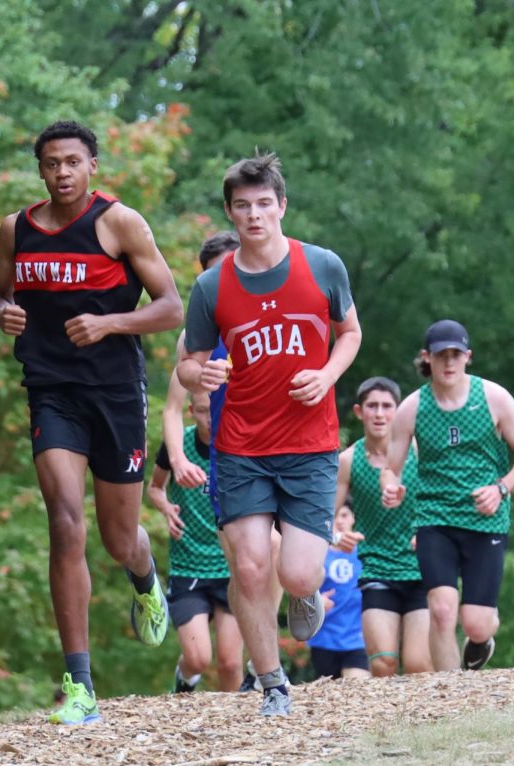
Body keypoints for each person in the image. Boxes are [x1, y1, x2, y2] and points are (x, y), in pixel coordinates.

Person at [0, 120, 183, 725]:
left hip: (116, 394)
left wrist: (110, 323)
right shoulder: (17, 229)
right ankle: (80, 685)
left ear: (92, 165)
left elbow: (171, 306)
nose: (62, 172)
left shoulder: (119, 223)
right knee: (65, 521)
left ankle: (146, 579)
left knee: (118, 537)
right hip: (52, 391)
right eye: (50, 163)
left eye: (72, 161)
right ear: (40, 170)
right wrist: (1, 315)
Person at [177, 152, 362, 718]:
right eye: (242, 206)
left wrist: (328, 375)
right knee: (251, 565)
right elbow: (186, 363)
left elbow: (350, 332)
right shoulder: (213, 287)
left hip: (309, 444)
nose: (254, 215)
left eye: (263, 204)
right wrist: (201, 374)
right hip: (240, 446)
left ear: (281, 206)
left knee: (298, 570)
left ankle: (304, 596)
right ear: (231, 215)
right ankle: (274, 684)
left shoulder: (322, 266)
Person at [381, 320, 514, 673]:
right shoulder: (412, 407)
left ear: (468, 357)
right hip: (434, 518)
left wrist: (501, 488)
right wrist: (390, 486)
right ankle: (451, 690)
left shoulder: (494, 398)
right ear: (428, 358)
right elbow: (391, 468)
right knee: (440, 609)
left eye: (455, 355)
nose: (449, 363)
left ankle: (484, 635)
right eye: (441, 356)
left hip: (485, 518)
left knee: (476, 624)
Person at [162, 231, 271, 693]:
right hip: (225, 459)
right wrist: (180, 457)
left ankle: (267, 649)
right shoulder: (196, 334)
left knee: (282, 555)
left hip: (265, 450)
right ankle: (253, 666)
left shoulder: (266, 314)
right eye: (213, 272)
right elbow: (171, 407)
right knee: (240, 560)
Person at [147, 389, 244, 692]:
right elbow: (154, 488)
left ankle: (239, 728)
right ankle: (184, 679)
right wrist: (166, 509)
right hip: (189, 565)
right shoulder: (178, 446)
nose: (211, 418)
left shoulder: (237, 444)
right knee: (198, 658)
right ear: (190, 411)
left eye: (215, 410)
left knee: (230, 663)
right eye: (203, 411)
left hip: (230, 565)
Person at [335, 377, 432, 676]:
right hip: (377, 569)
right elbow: (323, 518)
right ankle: (389, 722)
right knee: (383, 662)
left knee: (418, 665)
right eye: (372, 406)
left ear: (399, 411)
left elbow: (446, 499)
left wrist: (430, 533)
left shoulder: (421, 451)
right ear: (358, 411)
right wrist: (338, 536)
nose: (379, 414)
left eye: (387, 406)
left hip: (424, 567)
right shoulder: (348, 461)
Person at [308, 503, 370, 679]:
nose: (340, 521)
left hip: (357, 639)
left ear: (353, 518)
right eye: (334, 516)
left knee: (357, 689)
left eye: (344, 515)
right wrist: (315, 600)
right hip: (324, 640)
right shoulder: (315, 555)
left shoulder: (366, 553)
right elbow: (299, 593)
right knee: (331, 700)